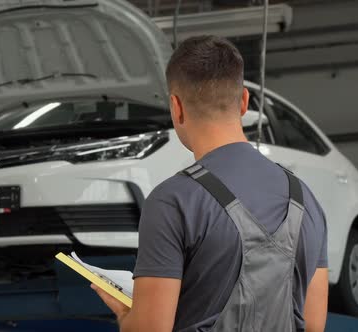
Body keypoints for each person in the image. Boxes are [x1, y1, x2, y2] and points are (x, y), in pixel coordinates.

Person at [91, 35, 328, 332]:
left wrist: (127, 316)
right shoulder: (307, 201)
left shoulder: (173, 201)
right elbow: (315, 326)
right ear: (243, 102)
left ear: (176, 107)